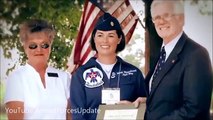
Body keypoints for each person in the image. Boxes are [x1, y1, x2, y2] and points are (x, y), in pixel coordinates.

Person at [143, 0, 213, 120]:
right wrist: (145, 102)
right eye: (157, 17)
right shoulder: (161, 55)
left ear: (181, 18)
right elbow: (165, 99)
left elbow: (194, 109)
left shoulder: (196, 54)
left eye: (166, 15)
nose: (161, 21)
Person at [70, 13, 147, 120]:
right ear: (94, 38)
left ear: (119, 39)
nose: (105, 40)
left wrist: (133, 107)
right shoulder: (80, 74)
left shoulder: (134, 73)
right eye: (100, 35)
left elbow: (145, 109)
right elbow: (78, 114)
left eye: (111, 35)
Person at [4, 19, 71, 119]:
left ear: (50, 46)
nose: (39, 49)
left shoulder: (64, 77)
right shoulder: (16, 78)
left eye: (44, 45)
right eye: (33, 45)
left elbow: (70, 116)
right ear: (25, 47)